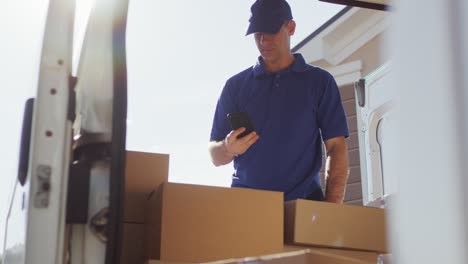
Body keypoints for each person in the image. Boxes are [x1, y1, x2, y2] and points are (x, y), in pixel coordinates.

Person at [208, 0, 349, 204]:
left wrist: (332, 209)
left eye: (271, 31)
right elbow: (214, 155)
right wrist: (228, 149)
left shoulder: (320, 82)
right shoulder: (235, 87)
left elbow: (336, 147)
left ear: (290, 28)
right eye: (258, 34)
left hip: (304, 204)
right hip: (247, 205)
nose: (263, 41)